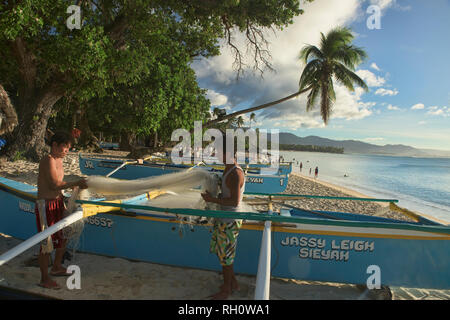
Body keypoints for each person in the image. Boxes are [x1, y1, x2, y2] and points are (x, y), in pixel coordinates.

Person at [35, 131, 88, 289]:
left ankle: (57, 267)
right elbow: (54, 185)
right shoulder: (48, 160)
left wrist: (65, 200)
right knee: (46, 243)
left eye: (68, 148)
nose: (67, 151)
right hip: (46, 205)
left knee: (64, 235)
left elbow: (59, 185)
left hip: (57, 203)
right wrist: (75, 183)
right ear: (54, 145)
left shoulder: (59, 160)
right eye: (64, 147)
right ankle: (44, 279)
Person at [201, 137, 245, 300]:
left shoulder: (234, 173)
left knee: (226, 257)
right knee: (224, 254)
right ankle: (233, 282)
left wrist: (212, 200)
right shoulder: (228, 169)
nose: (216, 153)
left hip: (230, 220)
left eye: (218, 151)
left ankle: (226, 290)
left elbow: (234, 201)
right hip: (224, 217)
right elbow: (227, 195)